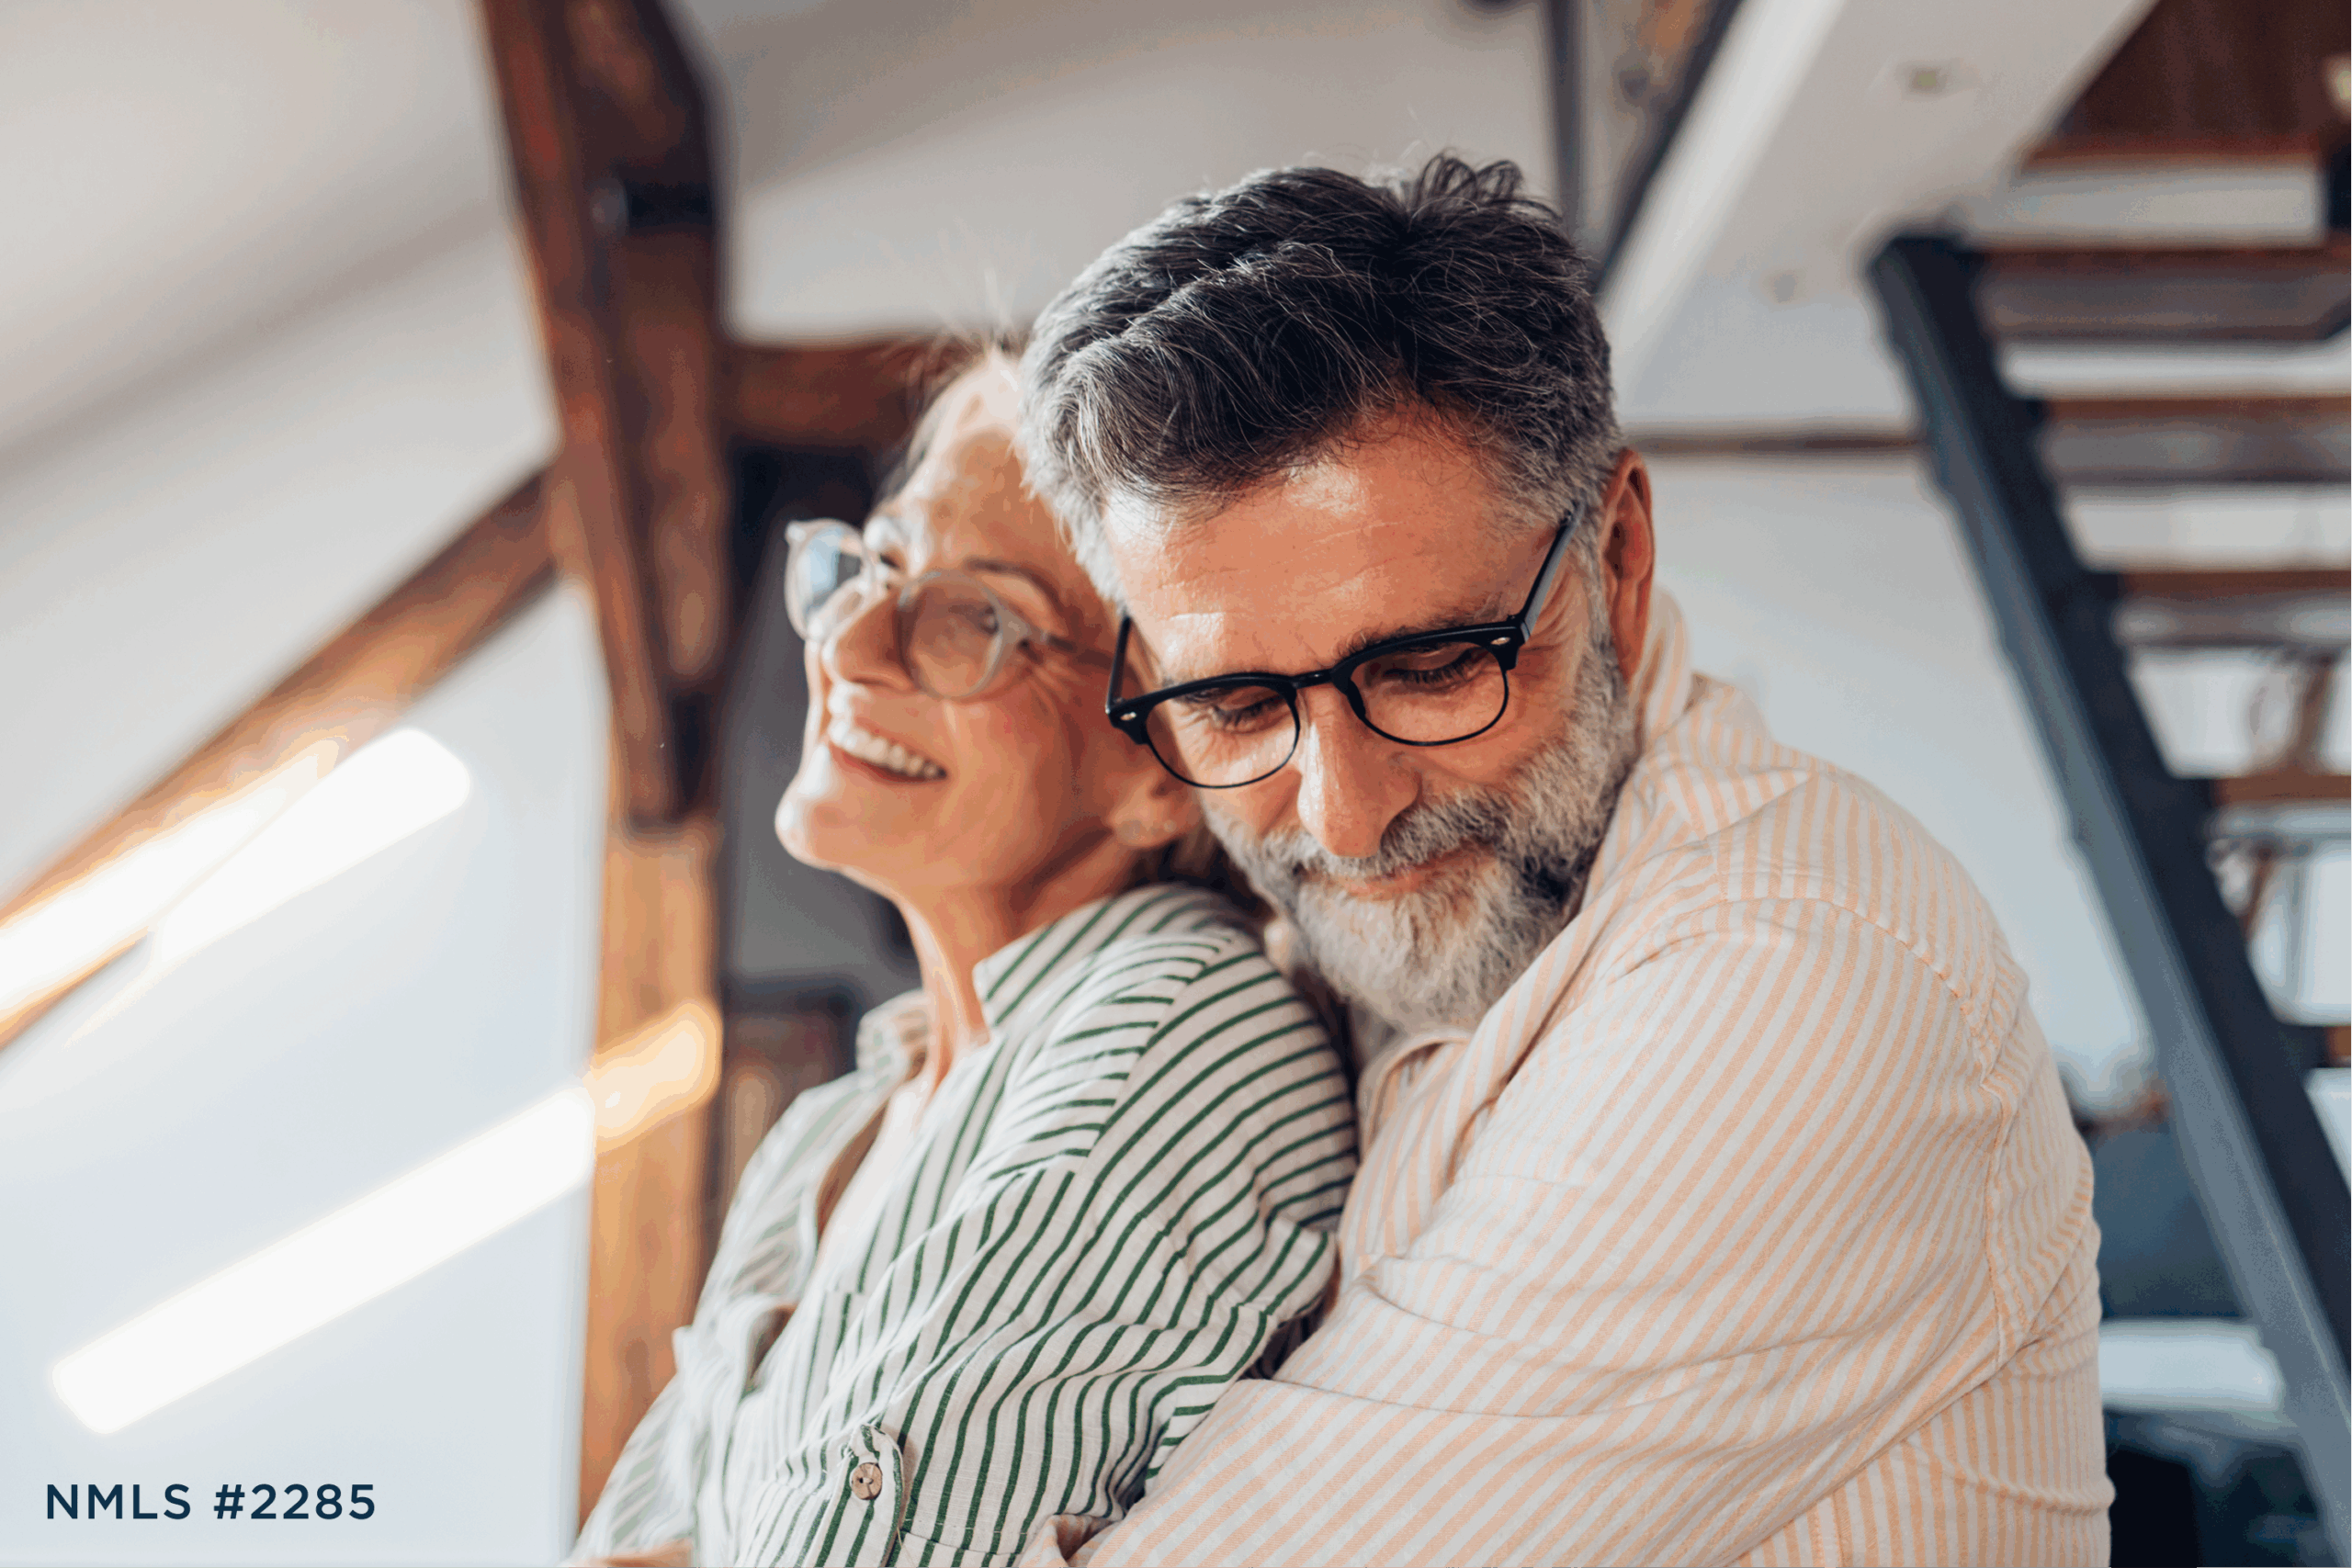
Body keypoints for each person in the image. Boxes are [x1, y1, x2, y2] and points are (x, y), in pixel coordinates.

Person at [1012, 157, 2109, 1566]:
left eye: (1426, 667)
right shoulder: (1346, 925)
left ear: (1621, 555)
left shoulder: (1794, 975)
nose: (1342, 817)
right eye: (1235, 704)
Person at [571, 355, 1356, 1567]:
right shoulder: (831, 1130)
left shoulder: (1172, 1035)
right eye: (880, 562)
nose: (855, 643)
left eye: (975, 615)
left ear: (1162, 768)